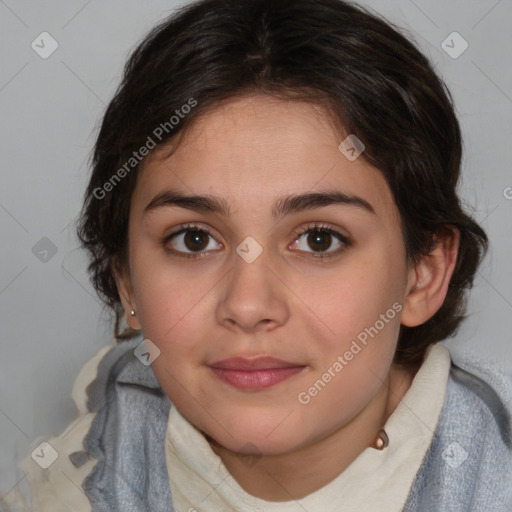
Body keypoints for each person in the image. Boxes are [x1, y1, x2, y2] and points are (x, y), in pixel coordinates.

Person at [2, 0, 511, 510]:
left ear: (423, 274)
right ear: (127, 282)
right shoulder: (74, 471)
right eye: (194, 240)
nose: (247, 305)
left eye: (319, 239)